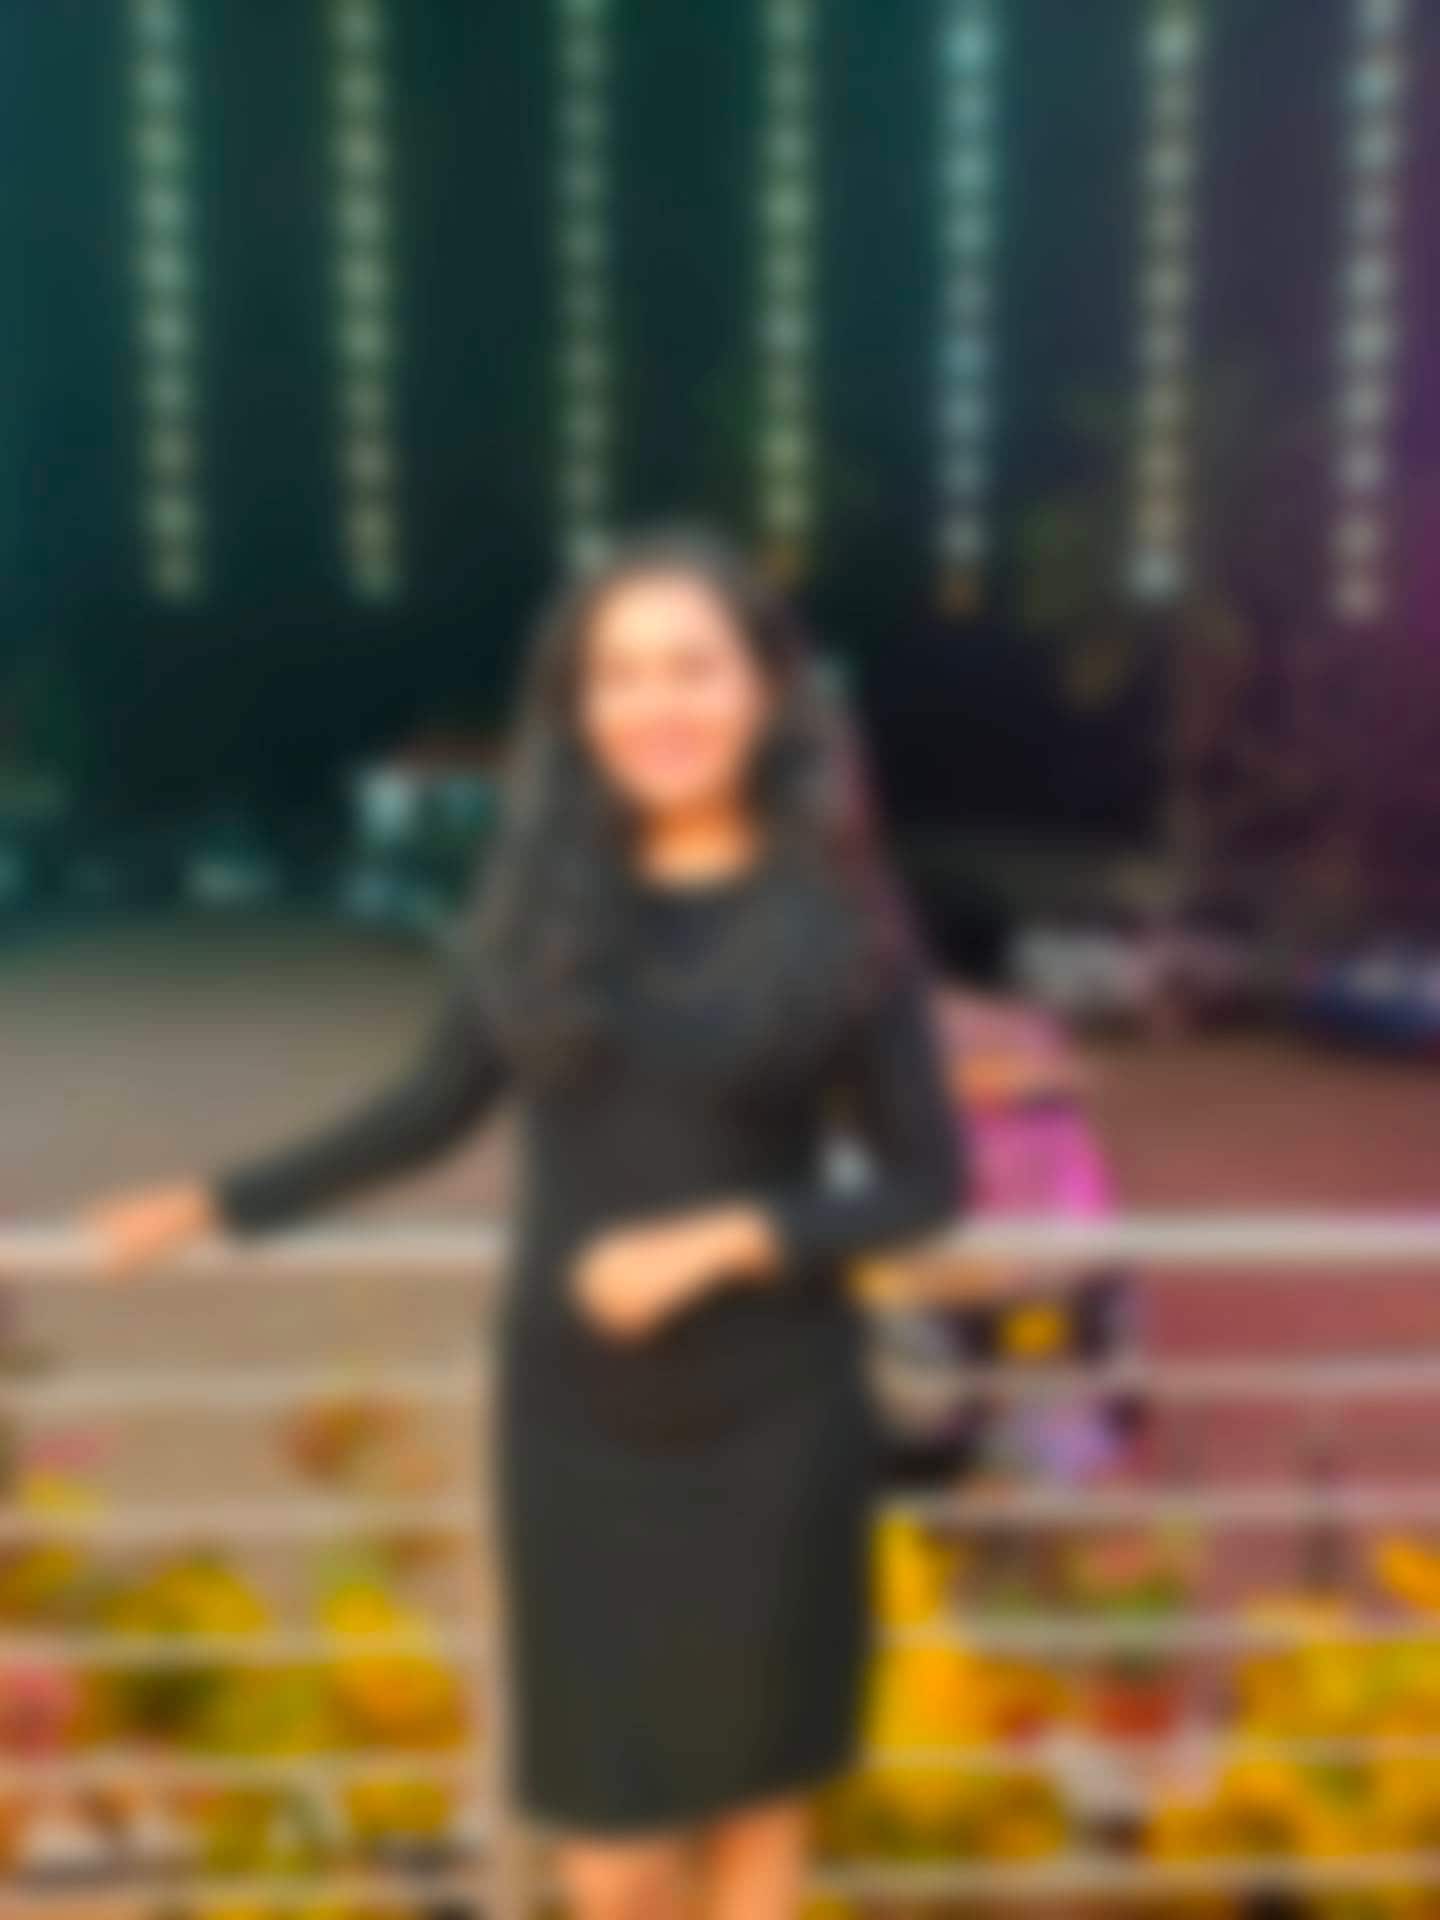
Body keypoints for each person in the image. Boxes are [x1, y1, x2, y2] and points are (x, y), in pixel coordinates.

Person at [80, 527, 965, 1920]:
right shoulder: (543, 908)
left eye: (694, 667)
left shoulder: (841, 916)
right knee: (612, 1856)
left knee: (758, 1808)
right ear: (577, 708)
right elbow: (428, 1110)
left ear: (767, 692)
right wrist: (210, 1203)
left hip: (777, 1416)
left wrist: (721, 1241)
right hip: (579, 1427)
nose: (658, 704)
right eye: (620, 674)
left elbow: (929, 1182)